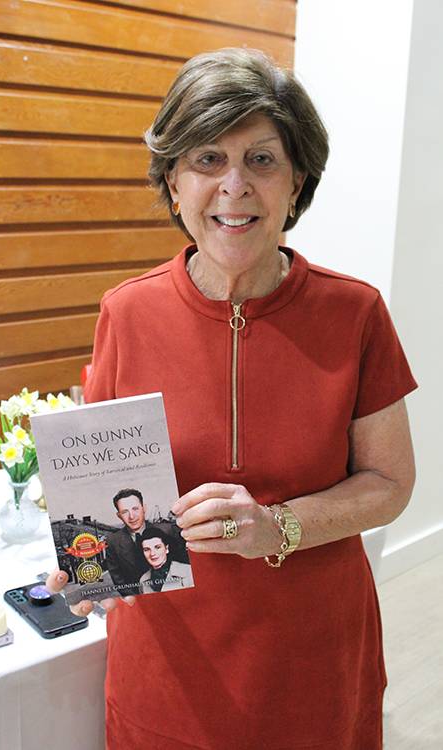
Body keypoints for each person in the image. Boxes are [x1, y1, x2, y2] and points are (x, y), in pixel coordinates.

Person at [48, 47, 417, 750]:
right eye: (207, 159)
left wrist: (275, 526)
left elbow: (391, 485)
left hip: (313, 669)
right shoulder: (127, 312)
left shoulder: (355, 313)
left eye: (261, 160)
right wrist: (84, 556)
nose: (234, 185)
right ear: (173, 181)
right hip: (167, 675)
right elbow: (100, 491)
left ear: (297, 178)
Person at [105, 488, 188, 594]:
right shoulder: (113, 542)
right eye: (125, 512)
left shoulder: (168, 531)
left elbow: (185, 564)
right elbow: (120, 581)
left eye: (135, 509)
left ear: (144, 508)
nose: (132, 516)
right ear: (119, 515)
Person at [139, 527, 194, 594]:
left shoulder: (187, 571)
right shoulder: (143, 580)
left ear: (166, 548)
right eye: (147, 550)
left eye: (157, 547)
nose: (152, 554)